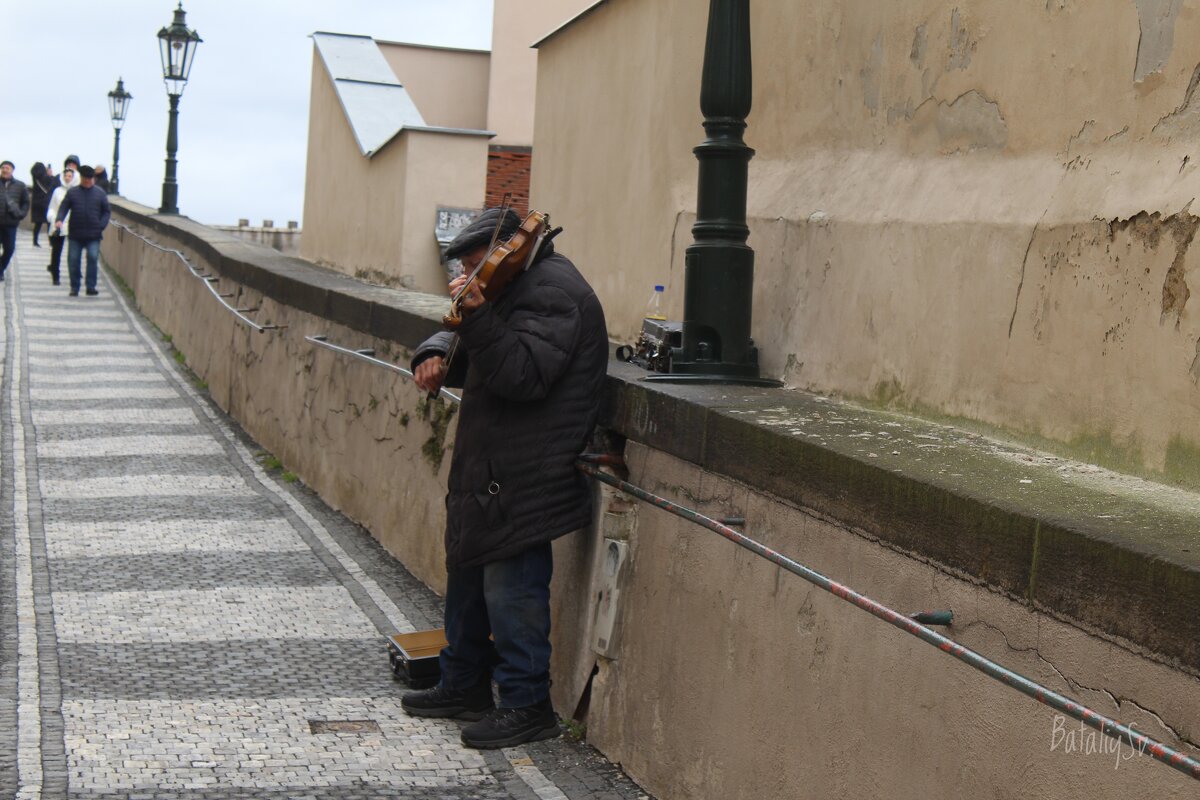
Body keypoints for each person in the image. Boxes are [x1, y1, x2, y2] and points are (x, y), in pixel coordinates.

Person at [401, 207, 609, 750]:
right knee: (468, 579)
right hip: (491, 466)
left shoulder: (555, 293)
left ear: (505, 251)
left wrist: (474, 315)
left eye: (475, 266)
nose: (471, 279)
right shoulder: (510, 283)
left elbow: (521, 374)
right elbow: (472, 341)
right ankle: (463, 683)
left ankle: (526, 704)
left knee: (513, 590)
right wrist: (435, 349)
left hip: (527, 473)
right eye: (467, 270)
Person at [54, 165, 110, 296]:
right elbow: (64, 207)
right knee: (73, 260)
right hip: (75, 233)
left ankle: (91, 286)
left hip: (94, 233)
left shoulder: (100, 193)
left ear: (93, 179)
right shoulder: (73, 192)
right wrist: (59, 219)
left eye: (90, 179)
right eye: (86, 179)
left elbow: (106, 212)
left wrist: (101, 225)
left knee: (92, 257)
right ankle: (75, 286)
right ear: (81, 179)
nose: (88, 181)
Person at [45, 165, 79, 286]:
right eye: (66, 176)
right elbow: (52, 207)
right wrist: (51, 217)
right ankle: (55, 274)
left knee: (74, 252)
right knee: (56, 251)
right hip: (59, 223)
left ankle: (75, 275)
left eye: (70, 176)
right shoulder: (57, 191)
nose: (67, 178)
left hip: (73, 224)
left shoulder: (77, 191)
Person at [0, 160, 31, 281]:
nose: (5, 170)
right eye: (3, 167)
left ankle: (1, 268)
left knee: (9, 249)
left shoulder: (20, 185)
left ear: (12, 170)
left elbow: (25, 202)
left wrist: (21, 214)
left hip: (10, 223)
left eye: (7, 168)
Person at [29, 162, 54, 247]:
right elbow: (51, 185)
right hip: (46, 202)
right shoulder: (46, 177)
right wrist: (50, 175)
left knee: (38, 224)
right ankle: (51, 242)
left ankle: (35, 241)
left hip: (36, 202)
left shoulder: (35, 177)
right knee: (49, 223)